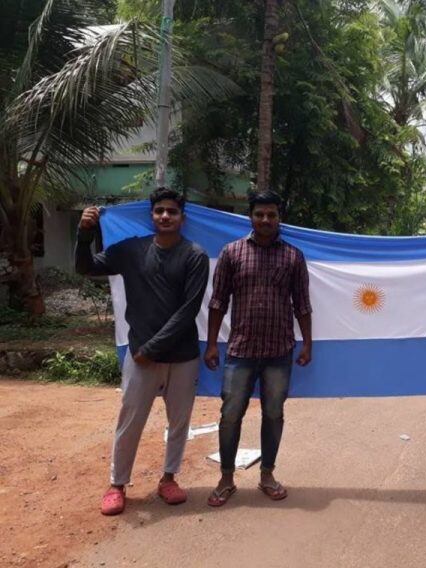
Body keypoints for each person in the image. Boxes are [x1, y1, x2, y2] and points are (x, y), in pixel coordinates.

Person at [76, 188, 209, 516]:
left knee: (179, 423)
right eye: (159, 211)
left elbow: (188, 310)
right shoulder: (132, 250)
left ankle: (168, 479)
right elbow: (86, 267)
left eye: (172, 212)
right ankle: (117, 485)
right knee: (130, 421)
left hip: (181, 356)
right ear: (152, 216)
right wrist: (84, 234)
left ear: (182, 217)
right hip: (141, 358)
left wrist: (152, 348)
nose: (165, 216)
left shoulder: (195, 255)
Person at [205, 190, 312, 507]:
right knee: (230, 415)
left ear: (279, 218)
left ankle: (267, 474)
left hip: (279, 352)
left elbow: (302, 305)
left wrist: (308, 343)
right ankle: (226, 478)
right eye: (260, 214)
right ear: (250, 217)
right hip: (240, 351)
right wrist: (212, 344)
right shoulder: (232, 253)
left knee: (274, 414)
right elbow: (218, 302)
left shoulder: (293, 256)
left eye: (272, 215)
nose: (266, 220)